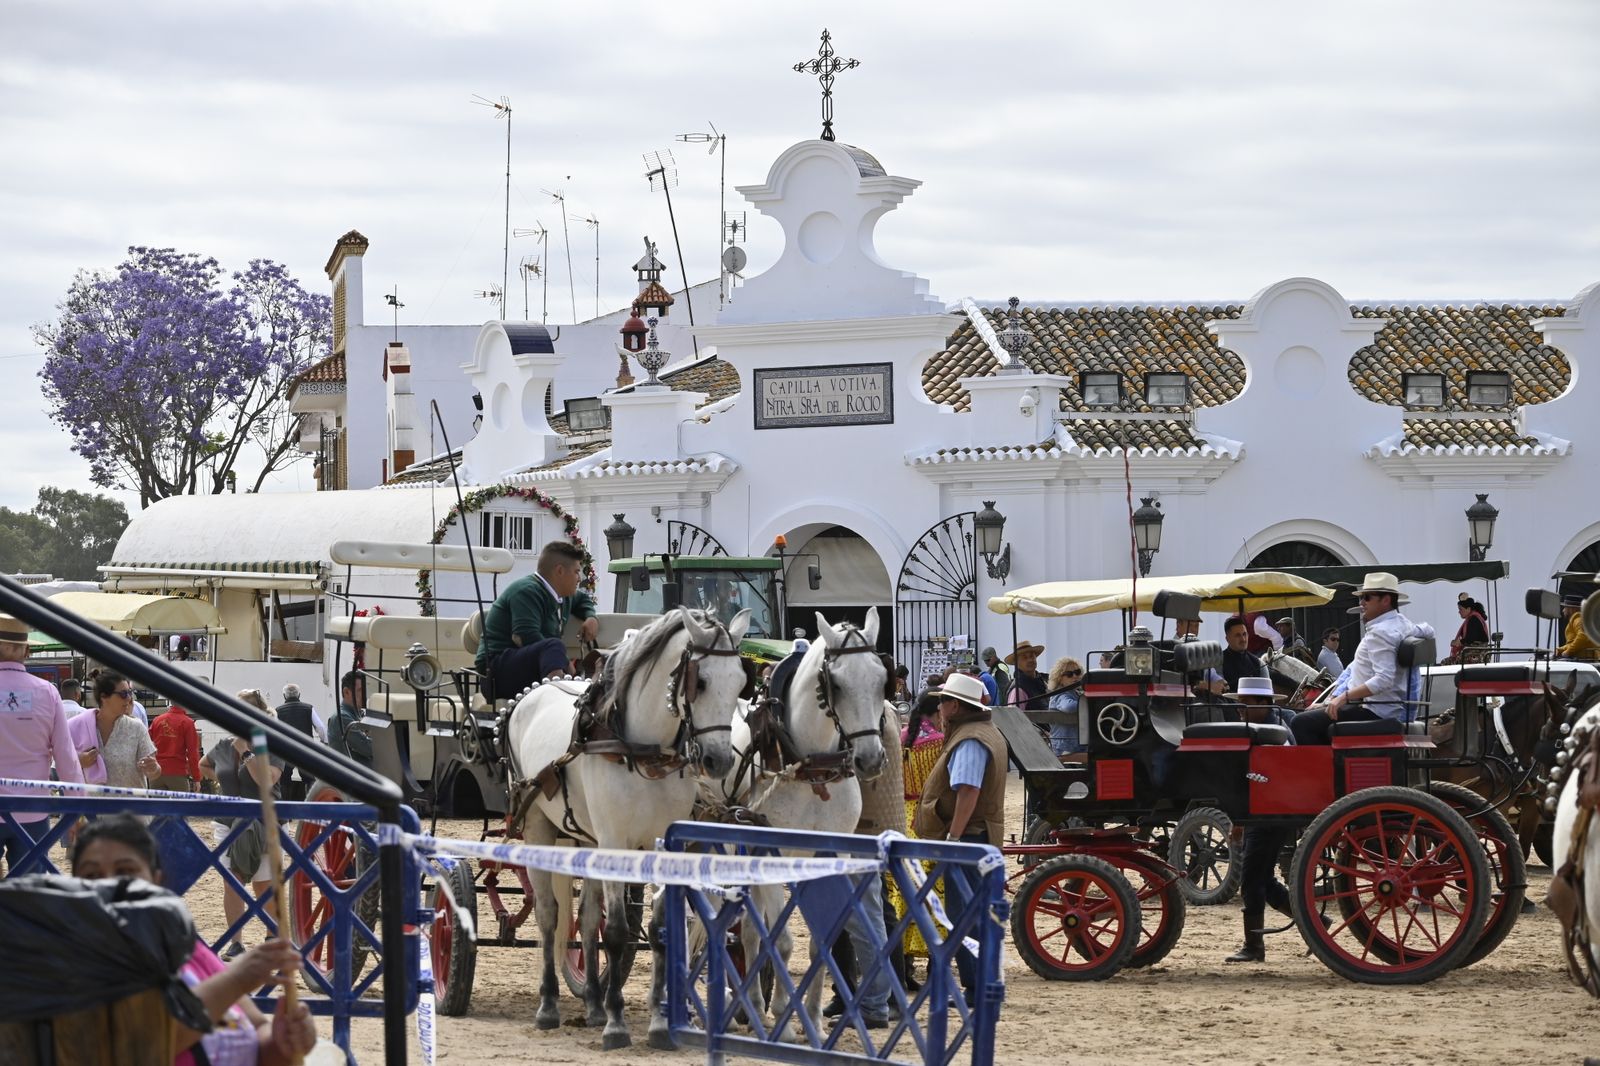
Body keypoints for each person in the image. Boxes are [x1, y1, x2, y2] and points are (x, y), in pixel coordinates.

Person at [70, 814, 317, 1064]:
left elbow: (259, 1029)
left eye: (126, 871)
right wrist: (235, 980)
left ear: (155, 881)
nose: (110, 884)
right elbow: (140, 1045)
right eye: (92, 875)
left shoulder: (187, 949)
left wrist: (282, 1043)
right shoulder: (73, 967)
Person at [913, 672, 1009, 1004]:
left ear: (954, 706)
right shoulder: (983, 732)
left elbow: (968, 791)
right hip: (980, 835)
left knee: (964, 915)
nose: (939, 707)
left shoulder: (969, 739)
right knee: (976, 913)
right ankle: (983, 984)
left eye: (942, 701)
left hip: (969, 838)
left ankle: (976, 987)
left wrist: (952, 838)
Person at [1290, 573, 1432, 745]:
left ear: (1386, 600)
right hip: (1386, 709)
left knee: (1301, 723)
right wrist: (1330, 702)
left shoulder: (1381, 632)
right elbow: (1428, 630)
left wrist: (1342, 698)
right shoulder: (1403, 624)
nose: (1361, 602)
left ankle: (1326, 771)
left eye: (1367, 597)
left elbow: (1384, 680)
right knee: (1312, 716)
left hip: (1375, 711)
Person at [201, 694, 287, 959]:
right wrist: (221, 782)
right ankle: (235, 941)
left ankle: (272, 936)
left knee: (263, 884)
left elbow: (266, 781)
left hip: (264, 821)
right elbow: (203, 765)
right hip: (228, 822)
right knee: (232, 883)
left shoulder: (268, 743)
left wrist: (245, 752)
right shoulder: (225, 744)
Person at [0, 613, 84, 871]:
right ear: (27, 651)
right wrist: (76, 807)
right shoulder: (47, 692)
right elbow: (66, 756)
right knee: (32, 895)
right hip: (33, 809)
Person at [1221, 677, 1296, 963]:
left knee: (1252, 880)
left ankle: (1254, 947)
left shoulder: (1273, 732)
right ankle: (1312, 922)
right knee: (1262, 878)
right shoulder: (1269, 728)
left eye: (1245, 704)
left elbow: (1264, 779)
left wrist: (1241, 816)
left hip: (1270, 813)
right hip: (1265, 812)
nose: (1240, 709)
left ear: (1264, 704)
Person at [476, 540, 598, 700]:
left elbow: (582, 600)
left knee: (555, 647)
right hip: (496, 671)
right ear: (560, 571)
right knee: (554, 645)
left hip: (529, 666)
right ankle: (558, 699)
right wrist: (565, 663)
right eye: (576, 572)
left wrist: (591, 617)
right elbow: (524, 636)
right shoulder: (527, 591)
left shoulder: (563, 595)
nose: (579, 578)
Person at [69, 673, 160, 789]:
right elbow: (59, 766)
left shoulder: (136, 728)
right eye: (123, 694)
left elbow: (155, 772)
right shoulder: (77, 726)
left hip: (130, 806)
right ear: (104, 697)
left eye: (129, 693)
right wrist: (78, 762)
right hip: (90, 805)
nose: (129, 698)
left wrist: (153, 768)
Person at [275, 683, 326, 802]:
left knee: (284, 780)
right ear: (299, 694)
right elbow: (320, 727)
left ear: (284, 696)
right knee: (308, 778)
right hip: (305, 749)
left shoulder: (278, 711)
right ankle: (311, 809)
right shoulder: (308, 708)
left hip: (286, 750)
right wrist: (325, 741)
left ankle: (286, 813)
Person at [149, 701, 201, 792]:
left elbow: (147, 746)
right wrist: (196, 778)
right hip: (177, 772)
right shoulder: (188, 723)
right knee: (180, 805)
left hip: (156, 772)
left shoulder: (157, 720)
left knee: (157, 805)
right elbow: (192, 753)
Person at [1040, 657, 1085, 757]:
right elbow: (1068, 707)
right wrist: (1088, 703)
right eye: (1069, 674)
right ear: (1059, 678)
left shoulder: (1075, 693)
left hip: (1074, 746)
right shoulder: (1060, 694)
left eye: (1077, 672)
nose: (1074, 676)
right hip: (1065, 748)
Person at [329, 670, 373, 769]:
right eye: (361, 690)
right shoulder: (342, 717)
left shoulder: (358, 714)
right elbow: (368, 748)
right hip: (349, 779)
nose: (365, 694)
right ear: (346, 692)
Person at [1220, 616, 1267, 693]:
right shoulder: (1218, 661)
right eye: (1238, 635)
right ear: (1227, 639)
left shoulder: (1258, 663)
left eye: (1244, 634)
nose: (1243, 639)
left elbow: (1267, 693)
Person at [1006, 641, 1048, 709]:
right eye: (1024, 657)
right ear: (1016, 663)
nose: (1030, 660)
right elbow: (1015, 717)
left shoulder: (1044, 681)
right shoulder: (1018, 690)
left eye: (1031, 656)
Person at [1450, 593, 1491, 664]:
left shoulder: (1474, 619)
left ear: (1468, 609)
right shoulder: (1473, 618)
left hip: (1478, 654)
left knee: (1445, 662)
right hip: (1476, 653)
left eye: (1461, 609)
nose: (1459, 612)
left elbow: (1471, 638)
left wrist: (1458, 642)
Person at [1557, 592, 1598, 662]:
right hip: (1583, 658)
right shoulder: (1580, 619)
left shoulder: (1578, 618)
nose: (1563, 610)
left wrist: (1568, 652)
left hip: (1584, 660)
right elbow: (1572, 642)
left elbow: (1583, 636)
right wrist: (1560, 649)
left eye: (1565, 607)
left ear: (1572, 609)